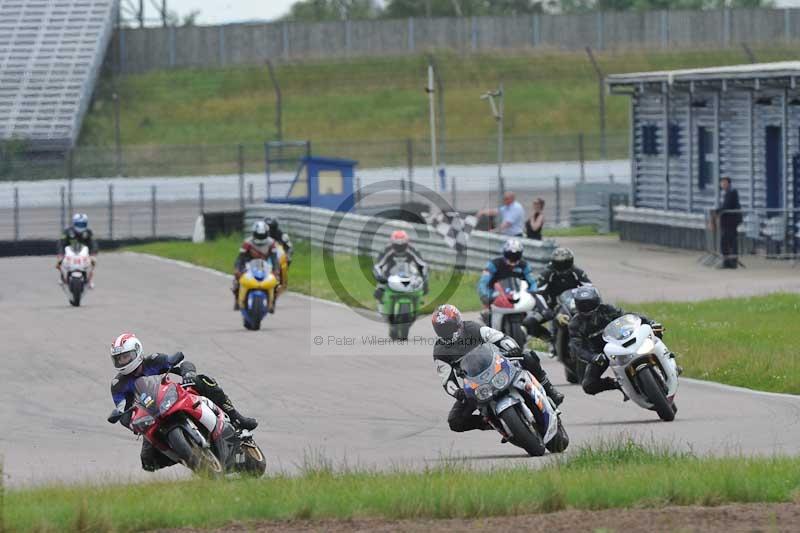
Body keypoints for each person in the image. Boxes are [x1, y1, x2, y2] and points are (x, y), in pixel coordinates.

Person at [108, 333, 257, 472]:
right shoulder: (117, 385)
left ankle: (237, 417)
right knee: (148, 462)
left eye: (126, 356)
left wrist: (188, 374)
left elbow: (182, 364)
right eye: (119, 359)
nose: (122, 361)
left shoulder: (153, 360)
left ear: (137, 352)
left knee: (203, 380)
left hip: (171, 397)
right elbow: (122, 412)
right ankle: (188, 455)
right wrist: (132, 424)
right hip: (151, 417)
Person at [431, 305, 563, 434]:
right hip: (475, 383)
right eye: (442, 329)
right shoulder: (440, 351)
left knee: (528, 358)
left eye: (449, 327)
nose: (447, 332)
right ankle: (496, 423)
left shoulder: (473, 328)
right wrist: (458, 393)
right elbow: (446, 379)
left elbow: (499, 337)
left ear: (458, 321)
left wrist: (512, 348)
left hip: (497, 364)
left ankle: (550, 390)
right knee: (455, 421)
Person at [568, 287, 675, 398]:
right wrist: (593, 357)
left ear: (597, 301)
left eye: (590, 303)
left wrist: (651, 322)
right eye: (583, 305)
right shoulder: (575, 324)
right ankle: (618, 384)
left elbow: (628, 316)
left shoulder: (607, 310)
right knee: (588, 385)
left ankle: (667, 359)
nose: (587, 308)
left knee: (652, 335)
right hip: (600, 354)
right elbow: (577, 347)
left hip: (620, 342)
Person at [477, 238, 538, 325]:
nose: (512, 258)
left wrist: (533, 292)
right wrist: (485, 295)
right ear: (505, 253)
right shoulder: (494, 264)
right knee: (484, 316)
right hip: (496, 295)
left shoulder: (524, 265)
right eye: (510, 255)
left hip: (519, 295)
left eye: (516, 255)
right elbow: (483, 282)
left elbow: (532, 282)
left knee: (533, 315)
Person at [232, 221, 282, 312]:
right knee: (236, 279)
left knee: (277, 283)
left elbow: (275, 259)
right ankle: (237, 299)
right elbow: (240, 258)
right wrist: (237, 269)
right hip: (248, 265)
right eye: (258, 235)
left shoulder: (271, 243)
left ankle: (272, 302)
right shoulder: (247, 243)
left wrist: (276, 271)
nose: (260, 238)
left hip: (265, 265)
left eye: (262, 235)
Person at [372, 230, 429, 306]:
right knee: (379, 291)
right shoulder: (386, 250)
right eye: (397, 245)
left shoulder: (412, 250)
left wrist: (424, 277)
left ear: (406, 243)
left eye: (402, 246)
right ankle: (381, 304)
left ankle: (417, 302)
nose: (399, 248)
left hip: (409, 274)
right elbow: (378, 266)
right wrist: (379, 276)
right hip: (390, 275)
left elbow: (422, 264)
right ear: (392, 243)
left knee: (421, 285)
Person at [56, 213, 98, 287]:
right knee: (60, 263)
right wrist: (60, 255)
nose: (80, 226)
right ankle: (63, 277)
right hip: (69, 253)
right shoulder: (67, 232)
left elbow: (93, 244)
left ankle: (89, 280)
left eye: (83, 224)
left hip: (84, 254)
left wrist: (93, 255)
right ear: (74, 223)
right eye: (79, 224)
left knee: (93, 263)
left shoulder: (88, 232)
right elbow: (61, 243)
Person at [714, 177, 742, 269]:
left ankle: (730, 263)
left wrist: (717, 212)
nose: (723, 185)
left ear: (729, 184)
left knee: (727, 243)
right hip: (728, 222)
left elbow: (726, 206)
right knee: (728, 242)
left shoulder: (731, 193)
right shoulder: (728, 193)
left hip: (730, 222)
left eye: (725, 183)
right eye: (722, 183)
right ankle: (729, 262)